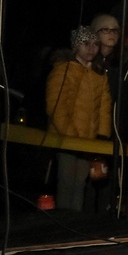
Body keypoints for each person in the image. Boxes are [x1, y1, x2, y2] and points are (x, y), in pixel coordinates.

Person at [44, 25, 112, 212]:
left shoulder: (99, 73)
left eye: (95, 44)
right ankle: (64, 220)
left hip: (87, 141)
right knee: (67, 181)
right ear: (75, 46)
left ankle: (75, 220)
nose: (91, 48)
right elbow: (56, 106)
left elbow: (104, 107)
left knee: (81, 182)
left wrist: (101, 136)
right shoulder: (63, 70)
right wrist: (71, 137)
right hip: (67, 139)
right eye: (85, 43)